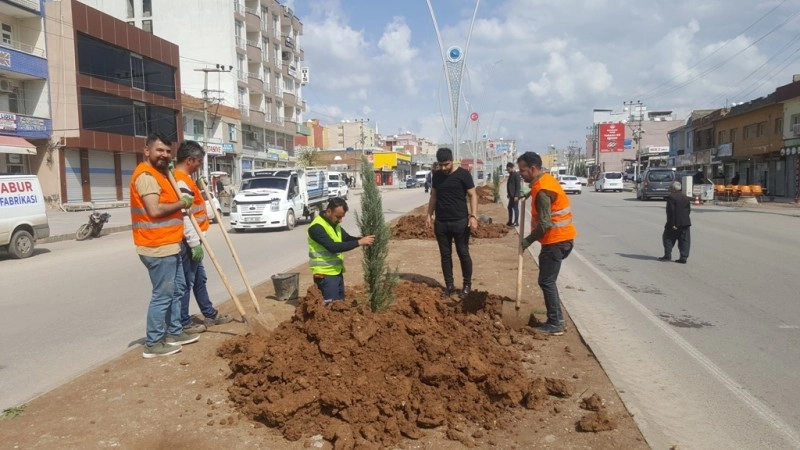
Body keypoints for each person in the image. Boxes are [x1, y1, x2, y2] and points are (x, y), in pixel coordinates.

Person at [130, 132, 199, 358]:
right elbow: (155, 210)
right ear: (147, 150)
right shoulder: (146, 176)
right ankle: (154, 342)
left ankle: (174, 331)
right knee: (163, 295)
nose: (165, 155)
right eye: (159, 150)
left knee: (178, 289)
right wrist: (182, 203)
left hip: (171, 243)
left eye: (168, 151)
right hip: (156, 246)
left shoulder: (162, 174)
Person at [173, 140, 233, 332]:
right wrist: (193, 243)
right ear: (190, 160)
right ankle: (183, 321)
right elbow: (184, 216)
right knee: (187, 281)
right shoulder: (180, 180)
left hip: (196, 237)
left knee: (199, 279)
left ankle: (209, 313)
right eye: (199, 162)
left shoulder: (186, 178)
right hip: (189, 239)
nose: (199, 166)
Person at [517, 152, 577, 336]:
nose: (521, 174)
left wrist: (526, 241)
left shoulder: (542, 190)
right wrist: (529, 191)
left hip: (556, 241)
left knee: (546, 281)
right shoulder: (544, 181)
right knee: (548, 280)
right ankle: (557, 319)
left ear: (533, 168)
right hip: (562, 238)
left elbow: (544, 224)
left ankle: (555, 323)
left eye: (523, 170)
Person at [425, 147, 478, 299]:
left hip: (460, 222)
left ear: (452, 160)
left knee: (463, 253)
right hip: (441, 223)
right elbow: (433, 196)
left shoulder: (463, 174)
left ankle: (467, 285)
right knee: (445, 255)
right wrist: (429, 215)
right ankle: (449, 286)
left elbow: (473, 195)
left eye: (446, 164)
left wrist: (473, 216)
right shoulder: (437, 176)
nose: (443, 168)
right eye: (441, 165)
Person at [307, 197, 375, 303]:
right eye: (338, 217)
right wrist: (359, 242)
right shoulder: (316, 227)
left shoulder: (334, 224)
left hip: (336, 272)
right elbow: (333, 247)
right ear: (329, 211)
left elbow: (346, 238)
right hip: (324, 275)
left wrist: (363, 239)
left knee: (339, 305)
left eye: (342, 217)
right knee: (331, 308)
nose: (340, 220)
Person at [658, 181, 691, 264]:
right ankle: (683, 257)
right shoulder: (685, 197)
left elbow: (671, 211)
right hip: (685, 222)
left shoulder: (671, 197)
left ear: (673, 189)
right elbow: (688, 210)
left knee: (667, 238)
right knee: (684, 240)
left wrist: (672, 224)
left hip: (674, 223)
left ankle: (667, 255)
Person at [506, 162, 521, 226]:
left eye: (509, 169)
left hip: (515, 196)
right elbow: (509, 185)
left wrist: (516, 196)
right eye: (507, 169)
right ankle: (510, 221)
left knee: (515, 208)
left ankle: (516, 222)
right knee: (509, 207)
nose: (508, 171)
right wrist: (508, 194)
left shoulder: (516, 175)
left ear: (512, 168)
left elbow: (518, 186)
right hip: (511, 195)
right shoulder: (510, 175)